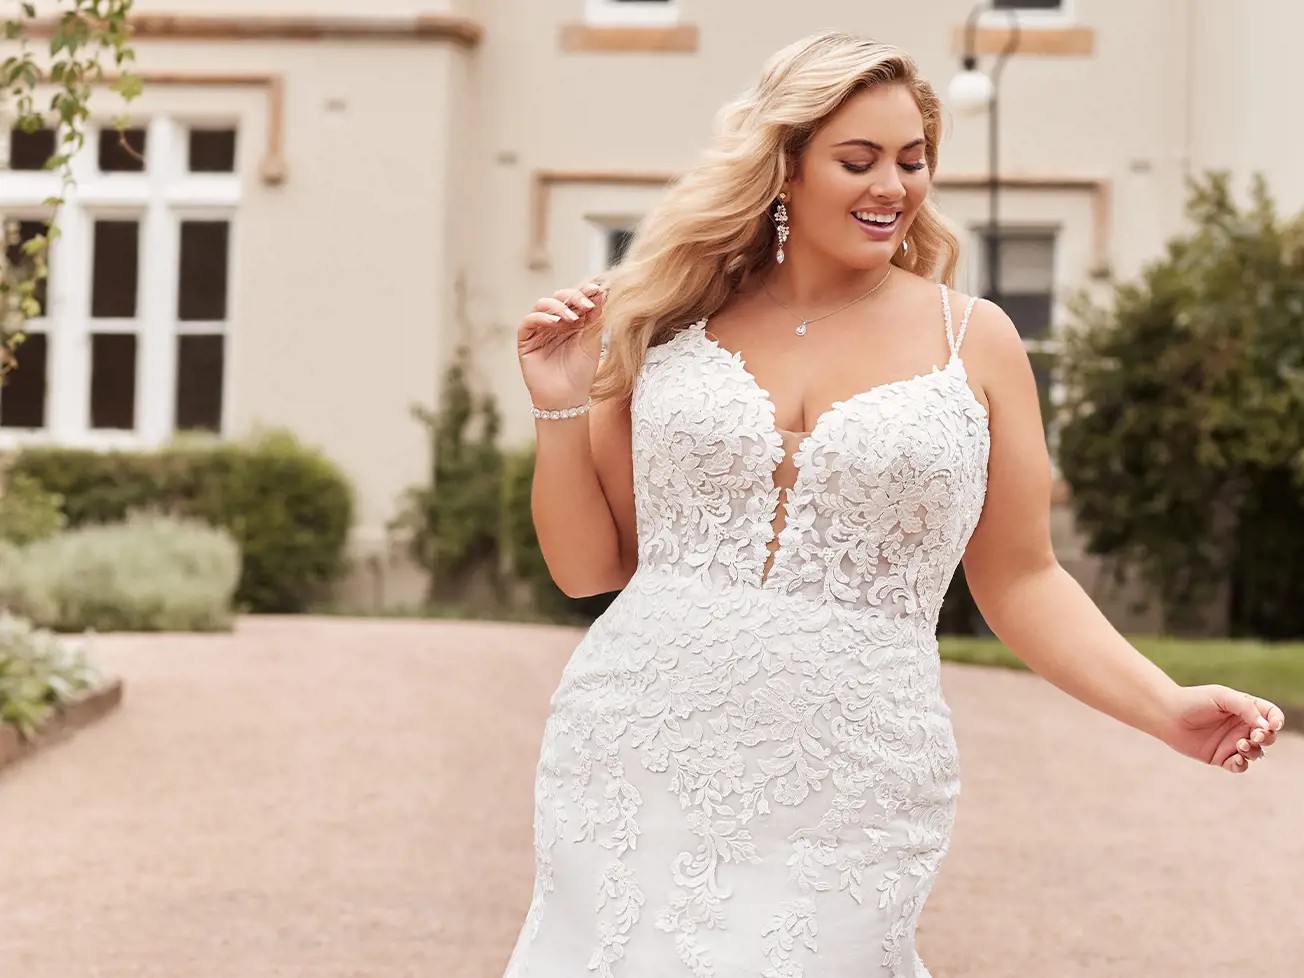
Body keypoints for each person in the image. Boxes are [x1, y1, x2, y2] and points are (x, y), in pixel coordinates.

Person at [505, 30, 1285, 978]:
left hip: (853, 770)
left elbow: (1023, 576)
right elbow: (592, 568)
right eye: (859, 159)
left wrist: (1165, 707)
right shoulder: (666, 321)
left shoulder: (975, 342)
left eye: (913, 161)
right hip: (640, 744)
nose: (894, 187)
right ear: (783, 167)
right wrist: (561, 401)